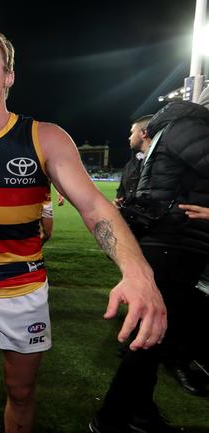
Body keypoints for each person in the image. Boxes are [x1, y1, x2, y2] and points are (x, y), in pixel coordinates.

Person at [0, 30, 166, 433]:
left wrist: (138, 272)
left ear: (8, 77)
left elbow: (94, 206)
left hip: (24, 296)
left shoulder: (45, 137)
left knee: (20, 394)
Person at [91, 87, 209, 432]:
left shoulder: (176, 128)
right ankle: (110, 418)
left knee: (153, 337)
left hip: (171, 241)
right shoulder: (190, 128)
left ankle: (139, 413)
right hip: (176, 243)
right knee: (151, 339)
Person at [114, 115, 153, 208]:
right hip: (131, 220)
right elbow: (121, 193)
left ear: (144, 133)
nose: (129, 138)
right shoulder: (130, 165)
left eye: (132, 133)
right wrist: (118, 203)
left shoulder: (166, 161)